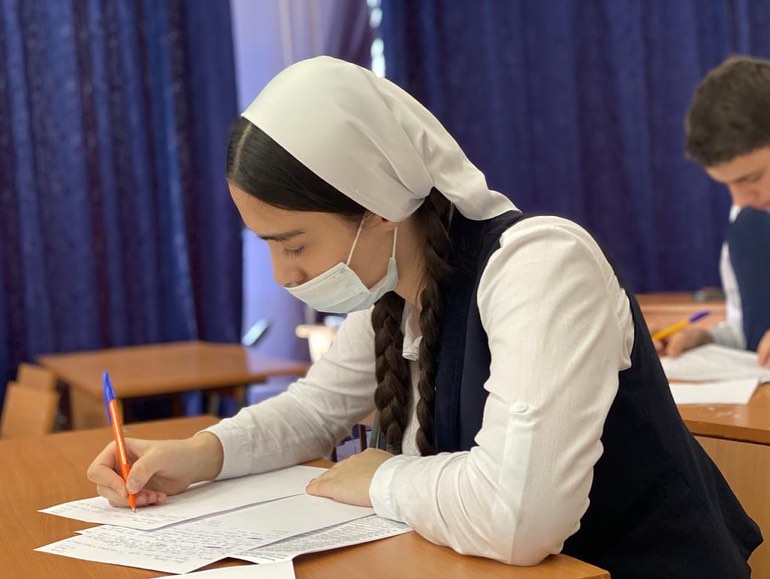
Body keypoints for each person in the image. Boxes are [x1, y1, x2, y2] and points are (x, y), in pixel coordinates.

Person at [87, 57, 761, 576]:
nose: (283, 276)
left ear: (378, 207)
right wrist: (199, 455)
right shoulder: (390, 287)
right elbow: (314, 411)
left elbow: (518, 517)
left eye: (293, 244)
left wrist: (380, 476)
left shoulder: (542, 266)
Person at [655, 55, 770, 367]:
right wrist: (708, 339)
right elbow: (751, 330)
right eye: (728, 184)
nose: (741, 199)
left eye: (752, 178)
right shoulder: (748, 222)